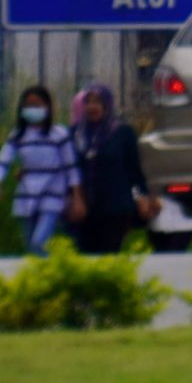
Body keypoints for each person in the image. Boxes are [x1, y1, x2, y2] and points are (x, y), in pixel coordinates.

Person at [0, 85, 80, 256]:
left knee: (38, 243)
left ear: (47, 107)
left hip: (52, 194)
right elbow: (3, 162)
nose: (32, 110)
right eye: (28, 105)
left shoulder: (58, 134)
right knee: (30, 247)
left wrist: (76, 197)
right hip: (27, 194)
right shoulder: (18, 135)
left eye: (37, 105)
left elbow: (70, 167)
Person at [68, 82, 150, 255]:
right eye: (88, 102)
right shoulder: (74, 134)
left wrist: (141, 197)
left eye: (97, 102)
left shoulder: (123, 133)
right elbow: (66, 168)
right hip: (82, 209)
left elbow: (134, 170)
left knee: (109, 256)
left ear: (107, 105)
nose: (92, 107)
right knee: (84, 258)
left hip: (115, 208)